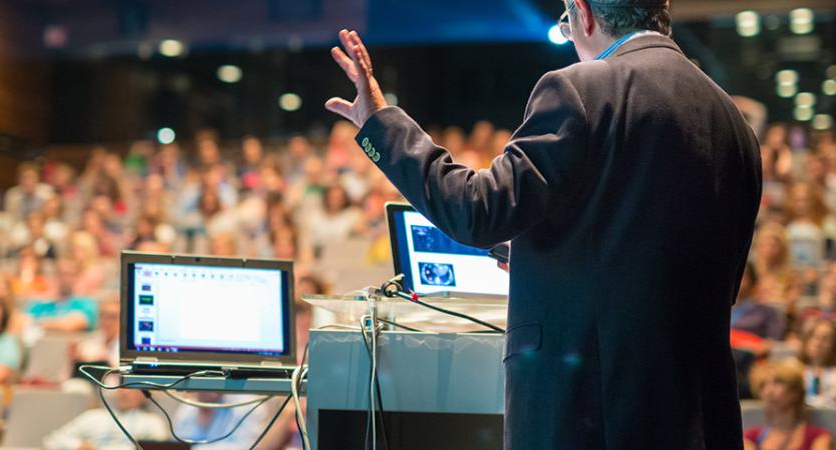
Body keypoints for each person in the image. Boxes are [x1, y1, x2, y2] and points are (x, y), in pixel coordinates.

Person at [324, 0, 761, 445]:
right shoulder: (731, 119)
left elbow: (475, 211)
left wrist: (379, 123)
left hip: (590, 412)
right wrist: (550, 257)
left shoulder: (582, 88)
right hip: (700, 417)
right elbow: (684, 268)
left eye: (567, 23)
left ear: (583, 12)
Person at [743, 359, 832, 450]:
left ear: (796, 392)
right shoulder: (750, 437)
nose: (768, 391)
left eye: (777, 383)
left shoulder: (817, 436)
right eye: (762, 385)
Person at [41, 386, 169, 450]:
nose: (124, 392)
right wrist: (78, 445)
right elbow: (52, 439)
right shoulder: (94, 416)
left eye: (131, 388)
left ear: (144, 395)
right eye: (122, 387)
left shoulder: (153, 422)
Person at [23, 258, 97, 333]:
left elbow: (72, 324)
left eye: (69, 274)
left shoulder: (85, 303)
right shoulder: (41, 304)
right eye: (62, 274)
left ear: (77, 277)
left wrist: (37, 323)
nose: (65, 278)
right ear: (55, 276)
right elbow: (22, 322)